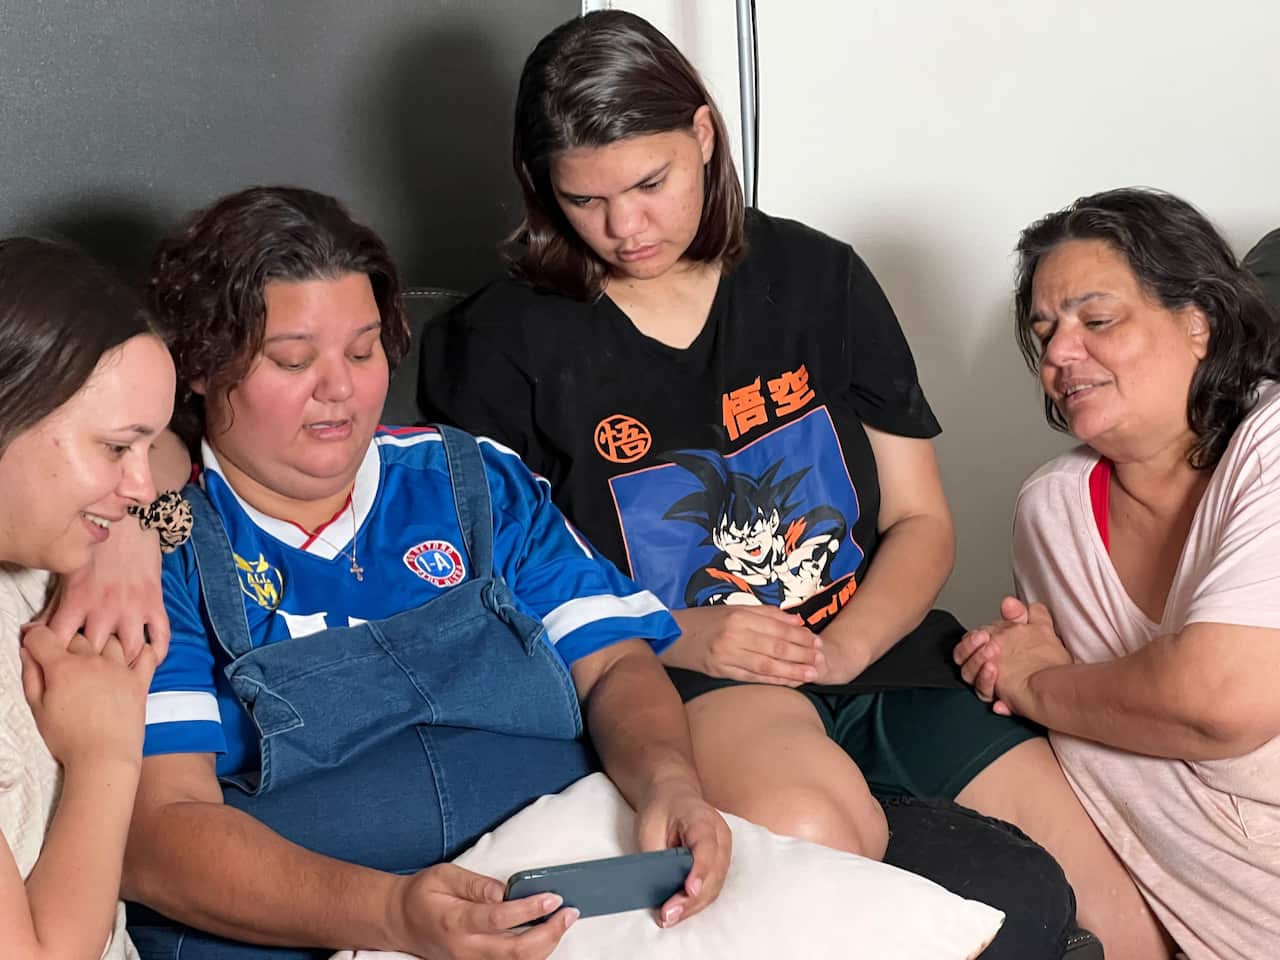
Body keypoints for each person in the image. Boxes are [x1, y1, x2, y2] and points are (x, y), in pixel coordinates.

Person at [419, 10, 1169, 956]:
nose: (626, 226)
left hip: (882, 650)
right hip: (687, 681)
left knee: (1113, 899)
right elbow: (496, 591)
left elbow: (919, 517)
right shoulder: (497, 343)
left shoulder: (819, 277)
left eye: (651, 184)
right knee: (822, 832)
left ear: (703, 136)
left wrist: (850, 646)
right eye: (585, 200)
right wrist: (685, 630)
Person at [118, 186, 729, 960]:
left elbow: (612, 664)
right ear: (199, 368)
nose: (339, 388)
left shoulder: (473, 483)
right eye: (293, 360)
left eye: (364, 350)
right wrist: (390, 914)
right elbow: (157, 830)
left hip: (552, 890)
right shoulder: (157, 551)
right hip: (297, 928)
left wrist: (670, 783)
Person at [956, 187, 1280, 959]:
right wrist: (1004, 668)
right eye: (1046, 331)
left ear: (1198, 321)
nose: (1061, 353)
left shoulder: (1271, 448)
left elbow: (1220, 703)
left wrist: (1035, 684)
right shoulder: (1050, 511)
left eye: (1096, 320)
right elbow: (1102, 730)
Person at [0, 237, 175, 959]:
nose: (142, 483)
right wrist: (107, 755)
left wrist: (127, 531)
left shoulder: (44, 543)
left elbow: (171, 453)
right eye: (114, 449)